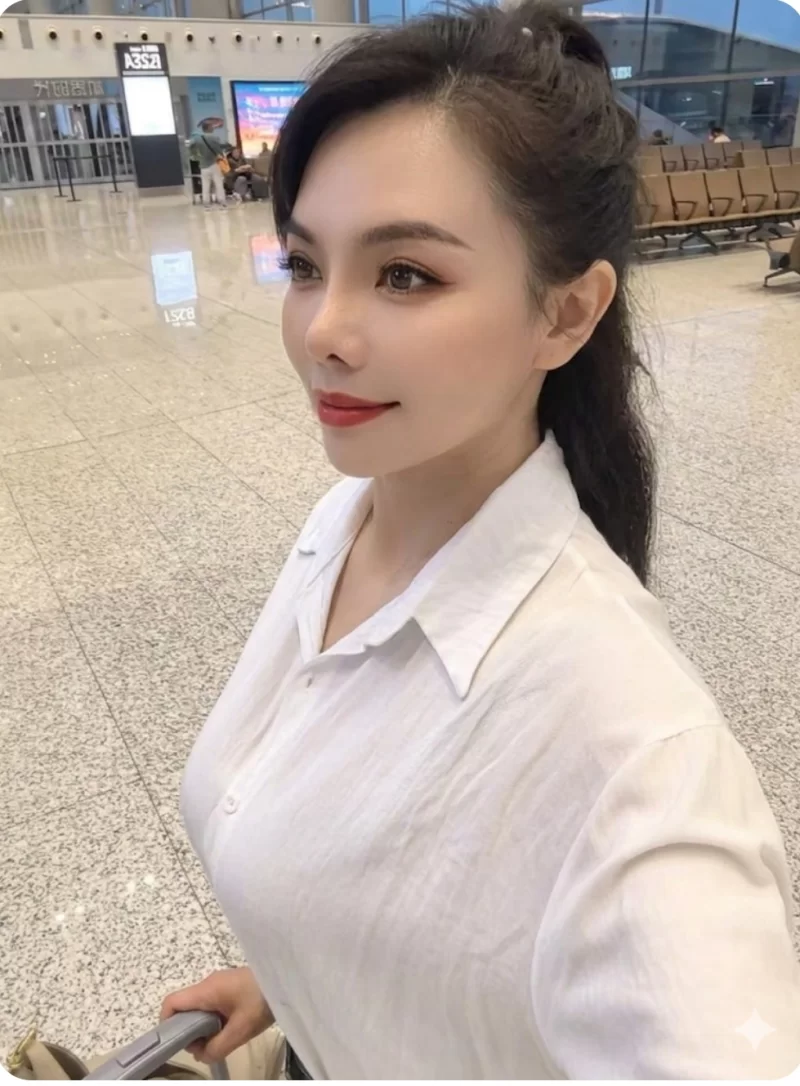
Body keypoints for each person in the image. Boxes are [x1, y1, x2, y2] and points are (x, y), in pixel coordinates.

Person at [164, 1, 800, 1079]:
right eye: (306, 265)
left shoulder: (638, 768)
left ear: (566, 314)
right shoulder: (345, 524)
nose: (323, 331)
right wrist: (302, 979)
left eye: (406, 274)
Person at [188, 120, 228, 210]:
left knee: (205, 185)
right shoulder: (214, 138)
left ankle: (206, 204)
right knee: (218, 183)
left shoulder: (197, 138)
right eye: (212, 126)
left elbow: (190, 145)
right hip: (213, 164)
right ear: (209, 128)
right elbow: (219, 149)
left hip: (203, 165)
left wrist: (194, 155)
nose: (213, 128)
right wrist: (221, 155)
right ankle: (222, 202)